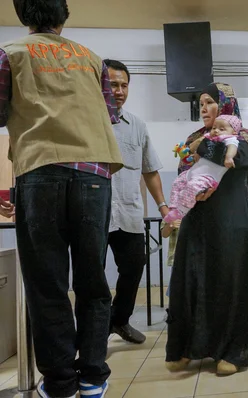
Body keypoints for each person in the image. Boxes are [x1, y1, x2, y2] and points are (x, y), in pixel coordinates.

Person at [0, 1, 124, 397]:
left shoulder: (11, 53)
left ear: (22, 15)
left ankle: (59, 384)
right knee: (93, 281)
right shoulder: (92, 59)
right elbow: (109, 113)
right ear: (64, 16)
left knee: (47, 284)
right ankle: (92, 378)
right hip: (94, 175)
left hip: (40, 172)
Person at [165, 82, 248, 376]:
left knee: (228, 282)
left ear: (225, 106)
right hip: (197, 222)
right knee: (190, 281)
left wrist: (201, 146)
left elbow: (235, 160)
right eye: (201, 103)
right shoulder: (194, 137)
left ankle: (235, 349)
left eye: (210, 102)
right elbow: (186, 169)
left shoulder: (241, 136)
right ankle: (188, 348)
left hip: (229, 223)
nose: (204, 108)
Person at [103, 59, 169, 344]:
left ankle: (119, 321)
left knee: (134, 265)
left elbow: (150, 170)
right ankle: (96, 330)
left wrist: (164, 207)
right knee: (90, 275)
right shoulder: (86, 123)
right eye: (112, 84)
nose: (118, 91)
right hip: (93, 214)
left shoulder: (137, 126)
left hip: (128, 213)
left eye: (123, 85)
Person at [163, 114, 241, 223]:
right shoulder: (209, 137)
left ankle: (181, 211)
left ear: (234, 132)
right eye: (214, 128)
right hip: (193, 172)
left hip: (207, 178)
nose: (216, 131)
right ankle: (173, 207)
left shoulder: (230, 139)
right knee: (177, 182)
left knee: (191, 187)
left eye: (222, 129)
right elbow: (194, 147)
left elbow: (233, 148)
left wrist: (229, 157)